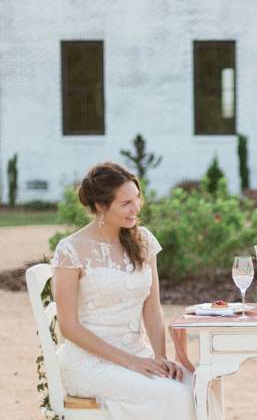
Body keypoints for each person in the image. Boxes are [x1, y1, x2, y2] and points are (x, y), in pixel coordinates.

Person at [52, 162, 195, 419]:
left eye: (137, 198)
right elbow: (69, 327)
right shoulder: (70, 250)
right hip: (89, 363)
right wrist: (134, 364)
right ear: (100, 206)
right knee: (175, 394)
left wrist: (160, 358)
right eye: (126, 203)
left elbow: (152, 307)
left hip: (139, 353)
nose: (136, 208)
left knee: (196, 383)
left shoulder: (143, 240)